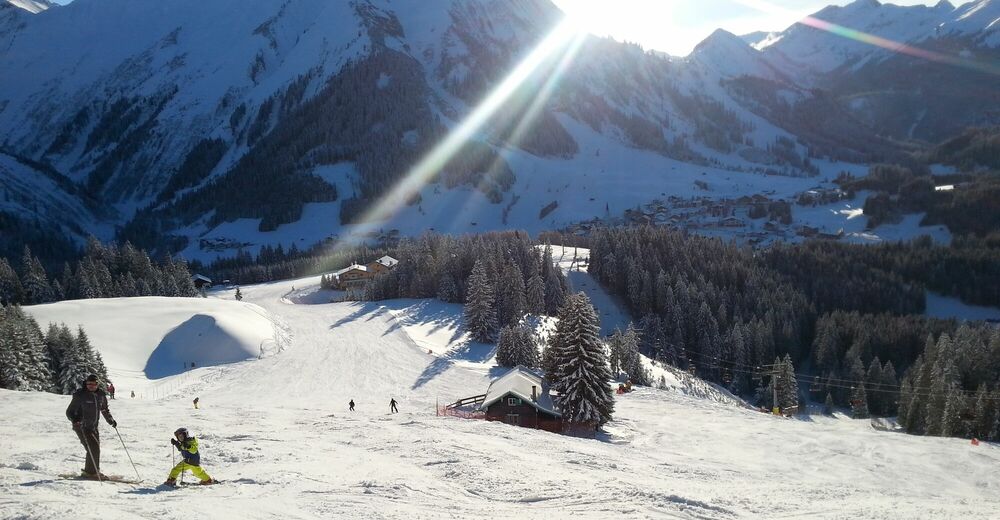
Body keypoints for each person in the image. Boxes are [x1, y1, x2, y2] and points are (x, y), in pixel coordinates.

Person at [65, 374, 117, 479]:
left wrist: (110, 420)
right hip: (81, 427)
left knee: (94, 448)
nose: (91, 386)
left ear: (97, 384)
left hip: (93, 427)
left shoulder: (101, 395)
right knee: (93, 447)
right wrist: (75, 420)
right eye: (89, 384)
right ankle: (91, 472)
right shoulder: (80, 395)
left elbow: (104, 409)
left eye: (93, 384)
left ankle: (91, 471)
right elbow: (69, 411)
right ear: (86, 384)